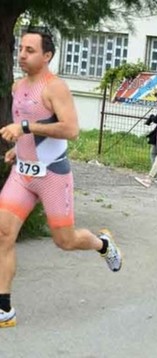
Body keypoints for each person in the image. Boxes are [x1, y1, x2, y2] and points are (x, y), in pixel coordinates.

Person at [0, 28, 122, 328]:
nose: (22, 55)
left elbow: (70, 129)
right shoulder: (18, 86)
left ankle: (102, 244)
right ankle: (4, 307)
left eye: (30, 50)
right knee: (3, 234)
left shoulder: (56, 88)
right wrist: (19, 148)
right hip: (23, 174)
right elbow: (31, 129)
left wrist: (25, 128)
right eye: (21, 49)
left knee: (64, 241)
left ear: (47, 56)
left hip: (52, 174)